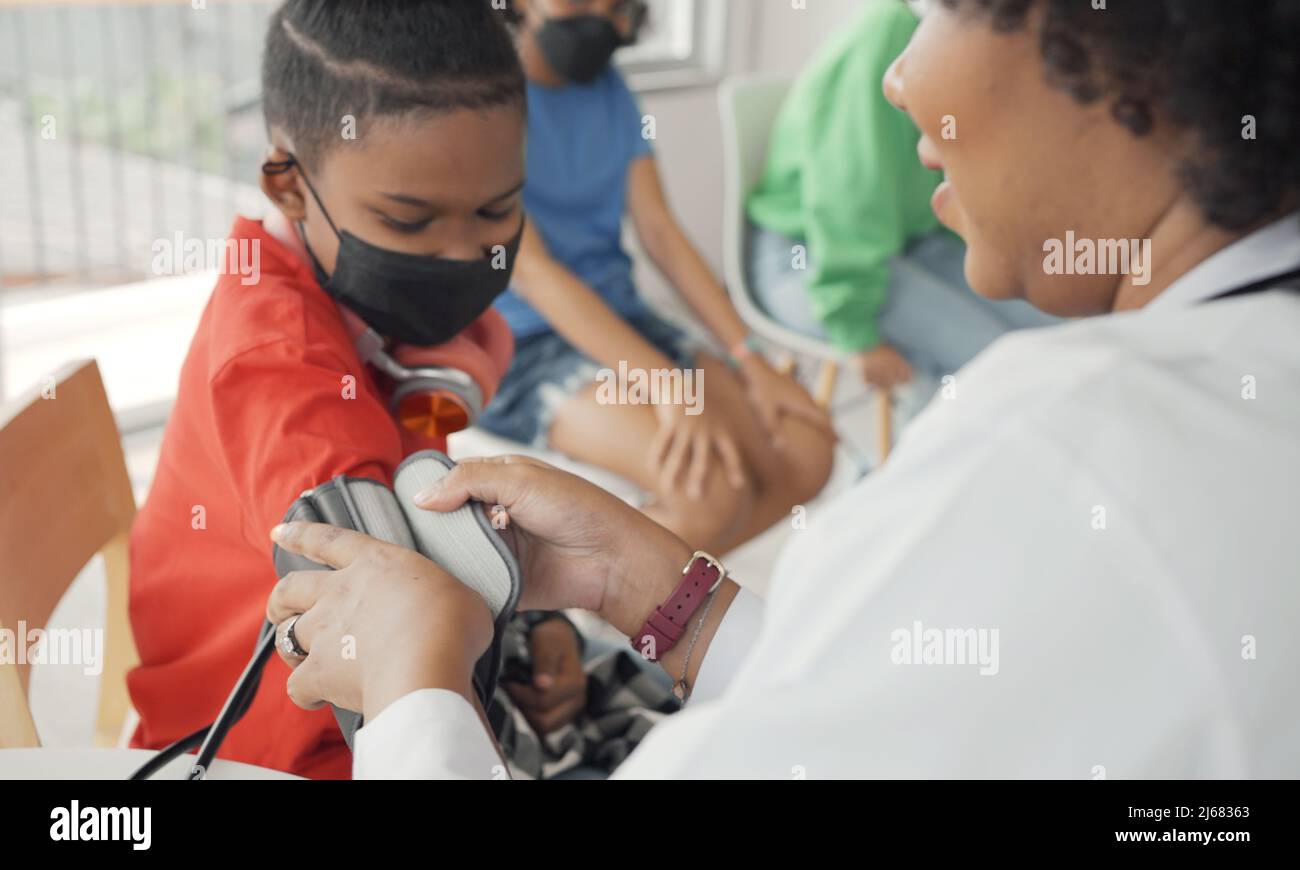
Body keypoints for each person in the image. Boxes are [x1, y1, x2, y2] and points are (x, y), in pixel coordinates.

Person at [265, 0, 1300, 778]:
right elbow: (899, 707)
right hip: (573, 360)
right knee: (709, 477)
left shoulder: (1055, 446)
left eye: (934, 7)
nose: (893, 76)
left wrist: (412, 689)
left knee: (794, 447)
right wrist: (666, 596)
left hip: (629, 351)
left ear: (1119, 52)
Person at [126, 0, 592, 779]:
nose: (462, 253)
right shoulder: (280, 368)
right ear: (289, 187)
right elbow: (385, 644)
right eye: (409, 223)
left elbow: (423, 532)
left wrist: (532, 621)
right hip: (278, 743)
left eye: (497, 210)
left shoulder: (361, 302)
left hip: (385, 682)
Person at [478, 0, 836, 555]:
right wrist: (663, 383)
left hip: (628, 320)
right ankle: (583, 621)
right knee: (711, 496)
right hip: (525, 346)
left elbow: (660, 232)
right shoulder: (478, 99)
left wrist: (751, 356)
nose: (602, 13)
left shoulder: (610, 90)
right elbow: (535, 274)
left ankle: (634, 605)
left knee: (808, 452)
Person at [746, 0, 1056, 395]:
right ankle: (934, 452)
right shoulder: (886, 38)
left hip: (907, 240)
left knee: (1056, 335)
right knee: (995, 368)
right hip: (814, 257)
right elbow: (850, 199)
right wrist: (855, 331)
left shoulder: (975, 35)